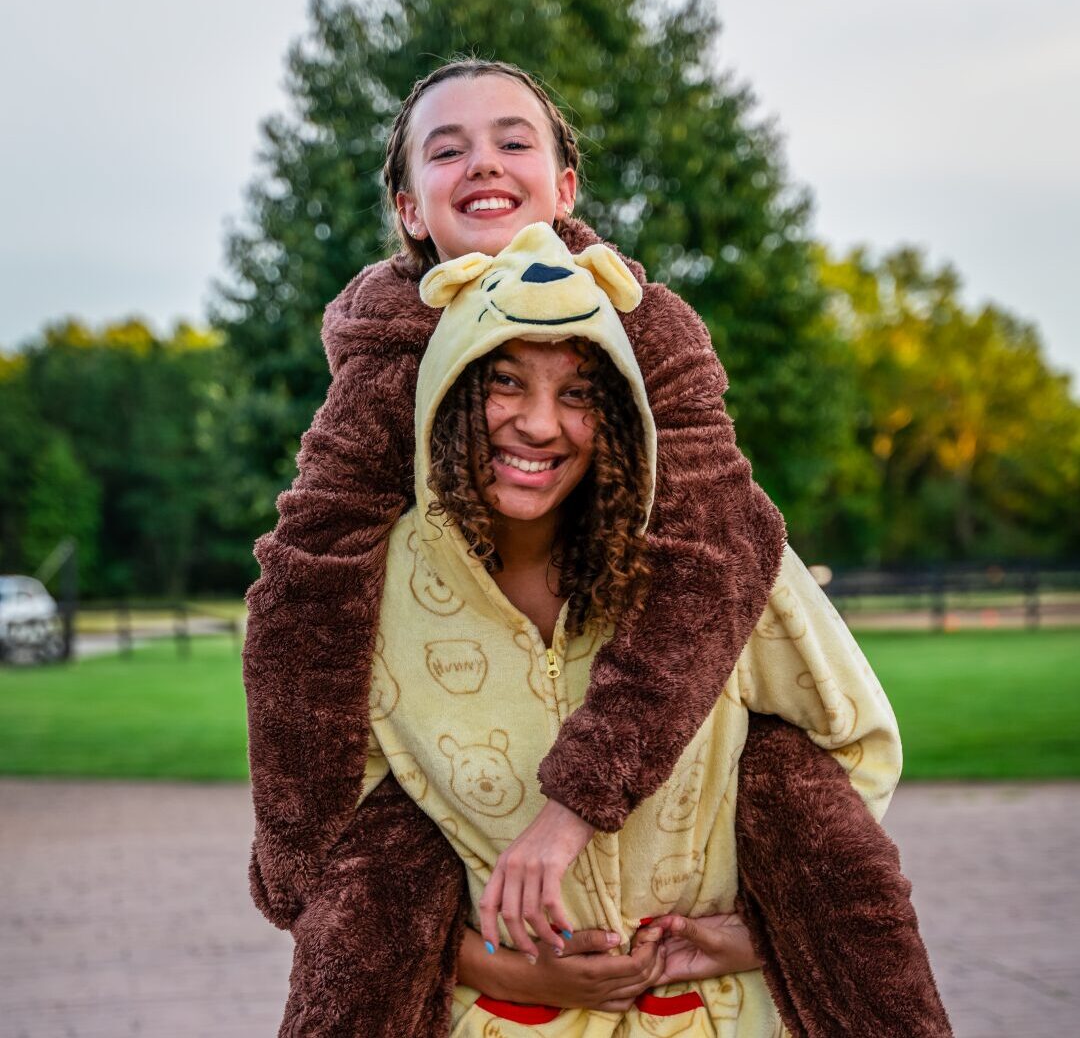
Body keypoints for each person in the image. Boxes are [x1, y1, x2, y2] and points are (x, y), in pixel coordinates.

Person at [244, 59, 951, 1037]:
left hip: (671, 880)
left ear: (566, 190)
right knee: (382, 855)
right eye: (447, 150)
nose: (482, 162)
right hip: (461, 733)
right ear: (410, 210)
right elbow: (306, 588)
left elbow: (711, 549)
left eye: (512, 140)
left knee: (787, 781)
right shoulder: (381, 355)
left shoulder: (638, 321)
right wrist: (308, 883)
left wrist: (588, 808)